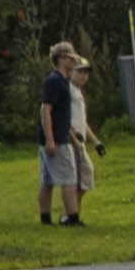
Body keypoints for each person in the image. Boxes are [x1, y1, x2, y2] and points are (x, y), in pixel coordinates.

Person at [39, 43, 92, 225]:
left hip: (58, 136)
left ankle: (45, 219)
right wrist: (51, 139)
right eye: (70, 57)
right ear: (61, 58)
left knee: (47, 181)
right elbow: (45, 110)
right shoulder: (54, 81)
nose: (73, 60)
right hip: (57, 139)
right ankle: (72, 218)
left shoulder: (63, 81)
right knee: (69, 179)